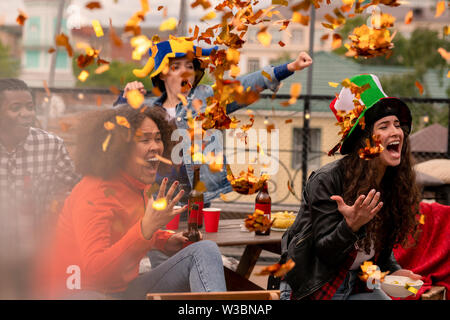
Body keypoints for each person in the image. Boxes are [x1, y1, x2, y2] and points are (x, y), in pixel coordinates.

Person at [33, 104, 227, 299]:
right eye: (144, 140)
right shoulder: (95, 193)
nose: (155, 147)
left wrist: (163, 240)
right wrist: (145, 229)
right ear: (121, 148)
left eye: (158, 139)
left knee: (204, 250)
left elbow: (128, 228)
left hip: (122, 291)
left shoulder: (136, 184)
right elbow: (96, 271)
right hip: (80, 291)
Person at [114, 36, 313, 209]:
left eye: (190, 66)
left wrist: (288, 67)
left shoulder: (207, 99)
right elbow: (112, 129)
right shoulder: (148, 110)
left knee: (196, 243)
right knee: (162, 249)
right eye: (176, 67)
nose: (185, 72)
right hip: (157, 198)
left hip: (197, 196)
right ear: (163, 73)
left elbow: (244, 85)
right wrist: (125, 100)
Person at [280, 74, 423, 300]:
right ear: (365, 140)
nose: (395, 131)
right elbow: (324, 254)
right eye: (384, 126)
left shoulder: (393, 182)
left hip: (358, 283)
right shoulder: (327, 180)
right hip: (314, 284)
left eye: (397, 124)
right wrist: (351, 226)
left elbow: (380, 252)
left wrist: (395, 272)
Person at [0, 78, 80, 299]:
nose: (26, 113)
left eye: (29, 106)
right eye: (15, 108)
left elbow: (75, 194)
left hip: (38, 262)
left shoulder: (51, 146)